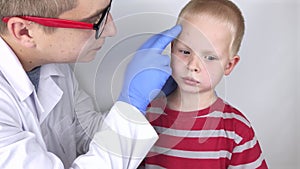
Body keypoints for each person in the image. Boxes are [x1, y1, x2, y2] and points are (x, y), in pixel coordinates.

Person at [0, 0, 182, 168]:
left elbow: (87, 133)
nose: (111, 30)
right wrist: (131, 104)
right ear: (24, 31)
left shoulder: (52, 66)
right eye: (95, 19)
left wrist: (144, 105)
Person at [142, 0, 268, 168]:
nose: (193, 65)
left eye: (209, 57)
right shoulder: (147, 117)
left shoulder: (236, 130)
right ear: (172, 49)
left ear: (229, 65)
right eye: (185, 52)